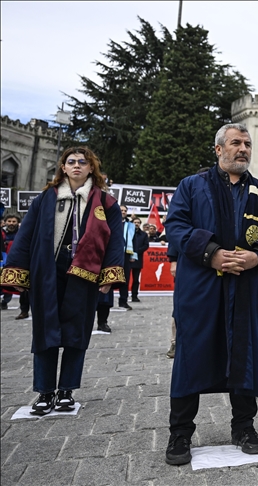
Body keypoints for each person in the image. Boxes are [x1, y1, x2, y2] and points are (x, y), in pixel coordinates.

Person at [163, 123, 258, 465]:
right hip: (203, 289)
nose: (243, 149)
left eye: (247, 144)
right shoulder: (192, 186)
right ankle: (180, 433)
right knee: (194, 355)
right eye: (236, 143)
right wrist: (213, 253)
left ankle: (244, 427)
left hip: (248, 289)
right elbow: (175, 227)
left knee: (246, 356)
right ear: (218, 149)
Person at [1, 146, 125, 416]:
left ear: (91, 167)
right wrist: (17, 270)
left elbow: (115, 240)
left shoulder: (106, 202)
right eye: (71, 162)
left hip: (85, 274)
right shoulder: (45, 198)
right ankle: (45, 393)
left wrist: (110, 274)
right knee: (45, 330)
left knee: (76, 331)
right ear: (63, 167)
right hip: (47, 272)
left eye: (83, 162)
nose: (77, 166)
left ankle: (67, 390)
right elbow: (25, 235)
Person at [116, 205, 135, 310]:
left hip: (126, 254)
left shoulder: (131, 225)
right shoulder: (112, 222)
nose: (123, 212)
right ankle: (104, 302)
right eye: (121, 210)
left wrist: (133, 255)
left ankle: (123, 301)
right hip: (114, 253)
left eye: (125, 210)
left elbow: (134, 241)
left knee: (125, 278)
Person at [128, 217, 150, 303]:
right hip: (128, 258)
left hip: (138, 259)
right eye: (134, 222)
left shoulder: (143, 234)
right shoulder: (128, 233)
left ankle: (134, 296)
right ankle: (124, 295)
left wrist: (137, 251)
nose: (136, 224)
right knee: (126, 278)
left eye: (138, 222)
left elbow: (146, 245)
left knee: (136, 279)